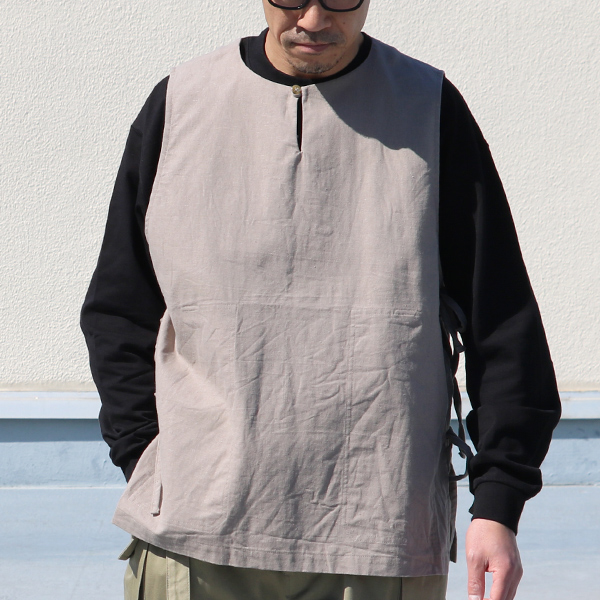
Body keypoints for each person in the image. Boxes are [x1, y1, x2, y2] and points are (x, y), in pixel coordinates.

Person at [81, 1, 561, 599]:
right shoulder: (181, 102)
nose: (313, 18)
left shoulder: (429, 107)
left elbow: (502, 320)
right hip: (193, 531)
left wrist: (498, 503)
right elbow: (119, 308)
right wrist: (147, 459)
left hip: (379, 533)